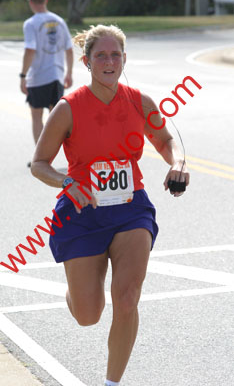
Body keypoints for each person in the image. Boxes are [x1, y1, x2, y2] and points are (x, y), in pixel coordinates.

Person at [31, 24, 190, 385]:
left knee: (128, 297)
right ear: (86, 62)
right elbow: (39, 163)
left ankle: (111, 383)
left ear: (124, 59)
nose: (108, 61)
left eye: (114, 54)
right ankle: (76, 290)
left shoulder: (139, 101)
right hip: (82, 212)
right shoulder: (67, 109)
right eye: (100, 55)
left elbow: (167, 141)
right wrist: (66, 182)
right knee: (89, 314)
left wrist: (177, 163)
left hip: (131, 207)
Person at [20, 0, 73, 160]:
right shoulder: (59, 21)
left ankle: (41, 157)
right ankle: (61, 154)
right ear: (46, 0)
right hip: (57, 75)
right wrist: (69, 73)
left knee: (37, 117)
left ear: (30, 2)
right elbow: (69, 49)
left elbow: (30, 50)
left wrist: (23, 75)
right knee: (56, 118)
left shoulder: (31, 23)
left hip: (38, 77)